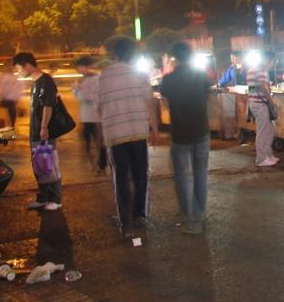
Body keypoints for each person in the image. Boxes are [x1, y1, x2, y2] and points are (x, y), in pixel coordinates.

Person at [98, 36, 159, 239]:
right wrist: (155, 129)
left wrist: (101, 134)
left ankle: (125, 222)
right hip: (138, 130)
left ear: (114, 54)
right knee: (140, 174)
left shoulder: (105, 75)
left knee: (121, 177)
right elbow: (149, 102)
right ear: (132, 53)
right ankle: (139, 214)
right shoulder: (139, 74)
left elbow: (101, 105)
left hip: (115, 133)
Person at [160, 41, 212, 235]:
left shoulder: (170, 78)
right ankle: (199, 213)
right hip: (201, 131)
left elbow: (164, 96)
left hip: (180, 134)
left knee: (181, 175)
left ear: (175, 57)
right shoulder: (201, 75)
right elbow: (209, 93)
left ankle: (187, 214)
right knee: (200, 174)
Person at [13, 52, 63, 211]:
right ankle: (44, 197)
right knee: (39, 166)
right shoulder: (35, 83)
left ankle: (56, 199)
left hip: (44, 132)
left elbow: (49, 106)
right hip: (35, 132)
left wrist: (44, 127)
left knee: (49, 164)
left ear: (27, 65)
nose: (18, 72)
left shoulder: (46, 81)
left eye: (19, 69)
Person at [72, 57, 106, 175]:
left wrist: (77, 89)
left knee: (97, 142)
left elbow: (86, 97)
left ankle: (100, 166)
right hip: (87, 116)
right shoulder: (88, 79)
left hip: (94, 116)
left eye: (81, 67)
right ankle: (96, 165)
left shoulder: (94, 79)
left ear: (88, 66)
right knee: (92, 141)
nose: (79, 69)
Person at [247, 49, 279, 167]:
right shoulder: (260, 69)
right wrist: (271, 102)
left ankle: (268, 155)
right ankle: (261, 159)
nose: (271, 64)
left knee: (270, 130)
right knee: (263, 132)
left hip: (258, 103)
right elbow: (262, 87)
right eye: (272, 62)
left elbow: (259, 86)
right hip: (260, 104)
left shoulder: (253, 68)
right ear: (267, 59)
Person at [0, 60, 22, 128]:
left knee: (9, 115)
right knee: (11, 115)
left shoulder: (6, 76)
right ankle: (11, 126)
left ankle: (9, 127)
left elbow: (2, 88)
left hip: (8, 99)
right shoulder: (11, 77)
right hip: (9, 99)